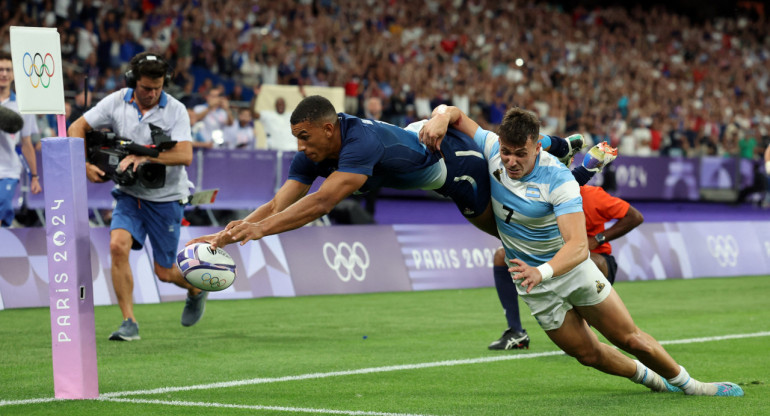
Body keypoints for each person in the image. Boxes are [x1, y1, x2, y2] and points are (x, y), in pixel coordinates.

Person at [419, 106, 743, 396]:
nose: (511, 161)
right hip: (535, 287)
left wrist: (541, 271)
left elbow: (577, 246)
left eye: (520, 153)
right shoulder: (492, 148)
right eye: (506, 152)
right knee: (588, 355)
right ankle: (653, 380)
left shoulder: (557, 178)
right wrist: (441, 117)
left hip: (571, 271)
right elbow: (456, 114)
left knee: (628, 338)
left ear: (536, 145)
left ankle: (693, 386)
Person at [187, 95, 605, 250]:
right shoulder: (315, 150)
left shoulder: (357, 146)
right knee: (499, 142)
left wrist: (260, 231)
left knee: (508, 231)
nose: (299, 146)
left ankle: (572, 173)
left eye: (303, 136)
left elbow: (320, 201)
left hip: (453, 168)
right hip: (414, 138)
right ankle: (559, 145)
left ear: (328, 129)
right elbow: (281, 201)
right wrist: (229, 234)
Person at [68, 52, 206, 341]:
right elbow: (76, 127)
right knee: (117, 246)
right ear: (133, 82)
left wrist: (144, 157)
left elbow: (185, 154)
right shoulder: (117, 101)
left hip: (166, 198)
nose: (152, 94)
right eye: (146, 88)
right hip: (129, 194)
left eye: (158, 88)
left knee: (165, 272)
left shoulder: (176, 110)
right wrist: (84, 163)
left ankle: (195, 288)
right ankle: (128, 321)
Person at [487, 184, 643, 350]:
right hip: (552, 257)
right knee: (501, 255)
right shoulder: (535, 196)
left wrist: (598, 239)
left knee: (587, 261)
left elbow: (634, 217)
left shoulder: (590, 195)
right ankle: (516, 332)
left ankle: (586, 328)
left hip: (594, 258)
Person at [0, 51, 42, 227]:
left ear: (14, 74)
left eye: (8, 70)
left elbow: (26, 144)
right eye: (0, 69)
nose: (4, 74)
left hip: (8, 171)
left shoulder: (23, 105)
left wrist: (34, 177)